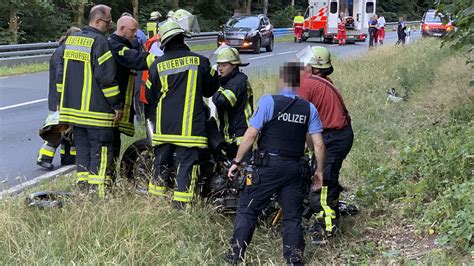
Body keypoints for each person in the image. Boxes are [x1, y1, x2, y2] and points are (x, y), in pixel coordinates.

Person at [225, 62, 326, 264]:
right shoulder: (308, 108)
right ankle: (294, 260)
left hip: (267, 167)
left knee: (248, 210)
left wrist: (237, 161)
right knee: (292, 217)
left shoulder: (268, 102)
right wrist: (319, 172)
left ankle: (235, 256)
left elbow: (251, 134)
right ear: (298, 83)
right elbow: (318, 145)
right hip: (295, 169)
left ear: (281, 81)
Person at [144, 20, 219, 208]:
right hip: (190, 128)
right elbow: (211, 89)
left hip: (164, 127)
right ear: (182, 38)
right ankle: (181, 207)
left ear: (164, 42)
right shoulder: (200, 61)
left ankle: (155, 204)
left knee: (160, 165)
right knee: (186, 166)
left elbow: (150, 96)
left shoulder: (156, 65)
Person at [57, 4, 121, 198]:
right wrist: (116, 104)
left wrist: (62, 104)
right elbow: (106, 77)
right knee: (101, 153)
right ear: (97, 20)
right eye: (108, 22)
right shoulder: (100, 42)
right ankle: (99, 195)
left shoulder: (72, 40)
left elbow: (62, 76)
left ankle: (83, 193)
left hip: (75, 113)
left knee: (82, 155)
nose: (110, 26)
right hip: (97, 113)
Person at [297, 46, 354, 244]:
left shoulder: (307, 83)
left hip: (333, 137)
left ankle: (326, 229)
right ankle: (333, 210)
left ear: (314, 67)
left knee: (320, 184)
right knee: (328, 178)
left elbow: (299, 116)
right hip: (340, 135)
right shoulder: (322, 82)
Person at [108, 16, 155, 160]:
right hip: (111, 106)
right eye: (133, 30)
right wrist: (162, 60)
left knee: (115, 144)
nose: (135, 34)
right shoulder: (114, 45)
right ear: (122, 29)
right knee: (110, 146)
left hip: (117, 105)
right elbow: (134, 58)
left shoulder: (126, 43)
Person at [36, 26, 80, 171]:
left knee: (68, 130)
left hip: (59, 98)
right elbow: (62, 78)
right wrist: (62, 101)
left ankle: (68, 157)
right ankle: (44, 157)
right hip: (60, 100)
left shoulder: (61, 49)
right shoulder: (65, 51)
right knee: (57, 129)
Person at [212, 47, 253, 159]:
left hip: (241, 138)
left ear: (234, 65)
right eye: (219, 65)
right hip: (229, 137)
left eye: (224, 65)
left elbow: (222, 101)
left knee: (242, 173)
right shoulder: (227, 81)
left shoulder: (238, 81)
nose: (220, 68)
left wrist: (217, 87)